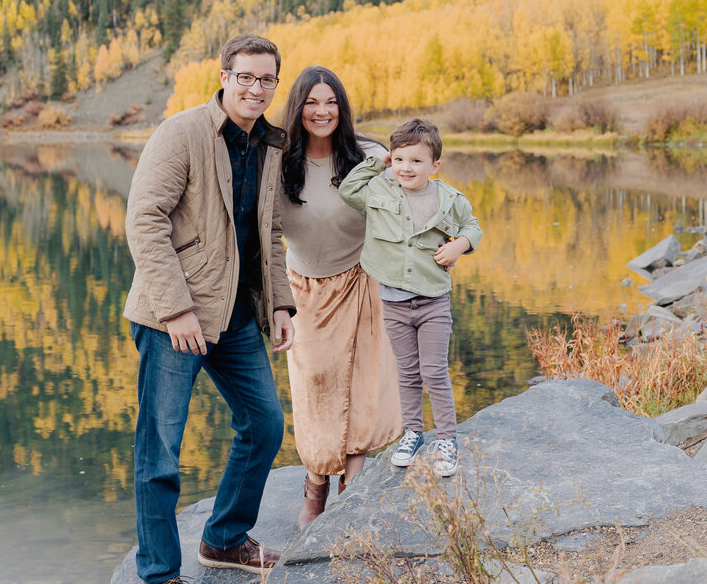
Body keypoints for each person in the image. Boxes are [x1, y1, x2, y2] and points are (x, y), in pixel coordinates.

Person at [124, 34, 296, 584]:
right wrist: (176, 311)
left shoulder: (271, 143)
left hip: (237, 315)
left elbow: (269, 231)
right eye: (244, 76)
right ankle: (158, 573)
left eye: (266, 78)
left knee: (265, 425)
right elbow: (144, 220)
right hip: (173, 318)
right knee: (161, 455)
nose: (255, 87)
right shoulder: (182, 132)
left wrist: (281, 305)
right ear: (224, 76)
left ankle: (224, 539)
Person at [279, 66, 402, 531]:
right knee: (316, 388)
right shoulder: (280, 160)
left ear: (342, 108)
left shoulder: (368, 156)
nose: (322, 111)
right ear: (298, 109)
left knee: (364, 385)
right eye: (312, 102)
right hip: (304, 289)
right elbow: (263, 233)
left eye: (330, 102)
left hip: (364, 281)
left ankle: (353, 490)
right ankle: (316, 486)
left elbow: (413, 201)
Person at [338, 117, 482, 478]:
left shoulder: (449, 198)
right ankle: (413, 433)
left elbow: (472, 226)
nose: (406, 168)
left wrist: (460, 247)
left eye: (416, 161)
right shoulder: (380, 189)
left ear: (434, 165)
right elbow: (348, 190)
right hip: (394, 301)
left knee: (434, 371)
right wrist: (379, 161)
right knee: (406, 371)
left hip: (433, 299)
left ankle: (447, 438)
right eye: (400, 159)